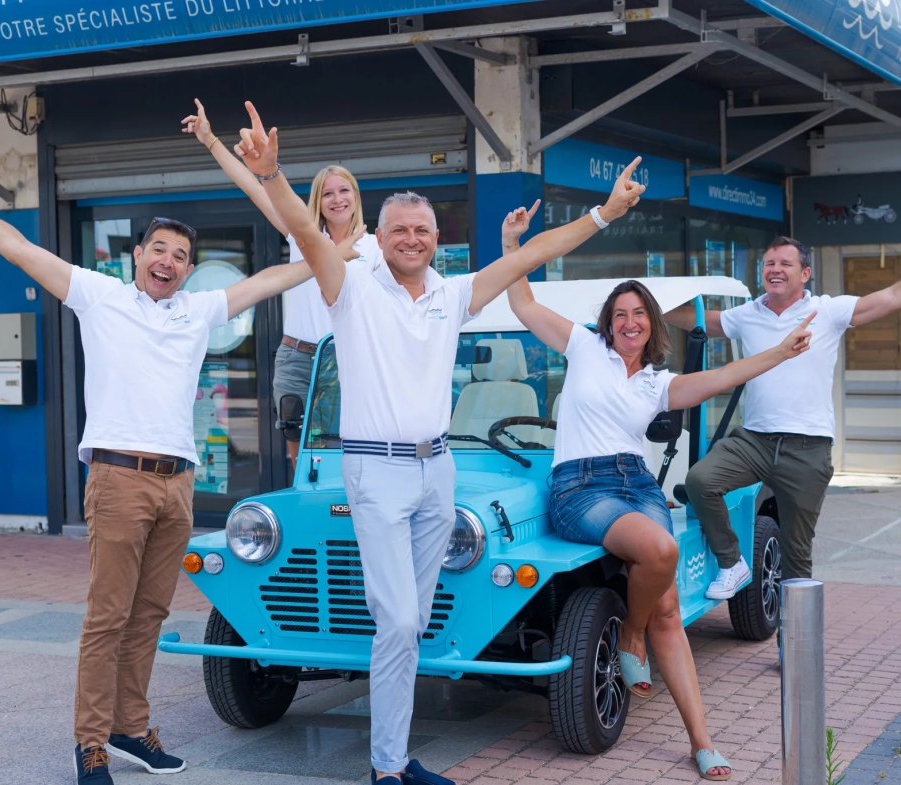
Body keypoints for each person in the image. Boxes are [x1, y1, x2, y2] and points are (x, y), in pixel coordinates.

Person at [233, 102, 645, 784]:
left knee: (411, 623)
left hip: (438, 473)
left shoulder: (452, 295)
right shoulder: (351, 290)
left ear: (435, 238)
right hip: (377, 471)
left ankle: (393, 758)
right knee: (395, 621)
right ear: (380, 235)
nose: (411, 238)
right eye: (399, 229)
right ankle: (386, 769)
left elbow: (535, 255)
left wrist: (605, 214)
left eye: (422, 229)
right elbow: (308, 233)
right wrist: (273, 175)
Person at [0, 140, 315, 785]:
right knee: (107, 618)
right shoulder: (99, 296)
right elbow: (16, 245)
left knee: (149, 616)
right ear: (137, 257)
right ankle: (92, 743)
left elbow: (277, 277)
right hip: (119, 479)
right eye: (160, 250)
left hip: (177, 485)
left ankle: (132, 727)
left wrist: (336, 249)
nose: (170, 262)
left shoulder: (196, 311)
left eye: (181, 256)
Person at [501, 206, 814, 783]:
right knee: (661, 552)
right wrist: (510, 241)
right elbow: (520, 303)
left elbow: (726, 377)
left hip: (634, 483)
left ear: (652, 324)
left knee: (669, 608)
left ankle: (700, 739)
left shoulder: (657, 382)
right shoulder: (581, 347)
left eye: (638, 313)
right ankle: (630, 633)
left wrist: (781, 352)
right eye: (619, 314)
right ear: (607, 322)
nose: (628, 322)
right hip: (578, 485)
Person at [663, 233, 901, 597]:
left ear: (804, 274)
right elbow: (696, 319)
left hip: (808, 449)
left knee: (796, 557)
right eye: (769, 263)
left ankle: (796, 652)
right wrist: (641, 305)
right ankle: (732, 562)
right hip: (753, 440)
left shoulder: (828, 311)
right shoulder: (746, 314)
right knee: (700, 480)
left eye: (785, 264)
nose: (775, 270)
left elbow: (895, 295)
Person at [182, 99, 383, 470]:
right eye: (327, 193)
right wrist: (210, 140)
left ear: (356, 196)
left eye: (344, 191)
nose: (337, 199)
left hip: (347, 358)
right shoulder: (301, 236)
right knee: (300, 461)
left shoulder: (376, 249)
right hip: (296, 357)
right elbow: (251, 185)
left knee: (347, 454)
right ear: (317, 202)